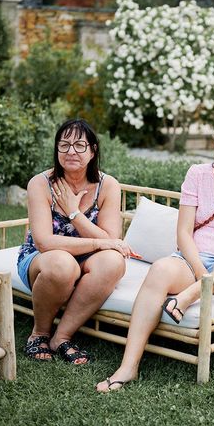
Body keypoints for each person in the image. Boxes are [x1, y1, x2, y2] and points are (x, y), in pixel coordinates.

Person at [96, 113, 214, 392]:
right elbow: (183, 234)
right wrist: (203, 274)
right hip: (195, 260)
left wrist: (205, 282)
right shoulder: (197, 174)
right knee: (159, 270)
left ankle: (193, 294)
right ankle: (128, 366)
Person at [18, 119, 135, 364]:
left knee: (114, 262)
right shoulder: (40, 183)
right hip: (43, 261)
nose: (71, 151)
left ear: (92, 151)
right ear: (57, 150)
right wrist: (96, 243)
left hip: (85, 259)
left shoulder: (107, 185)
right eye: (65, 145)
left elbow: (111, 239)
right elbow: (44, 243)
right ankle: (39, 333)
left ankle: (61, 337)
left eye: (80, 145)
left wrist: (74, 213)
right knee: (63, 263)